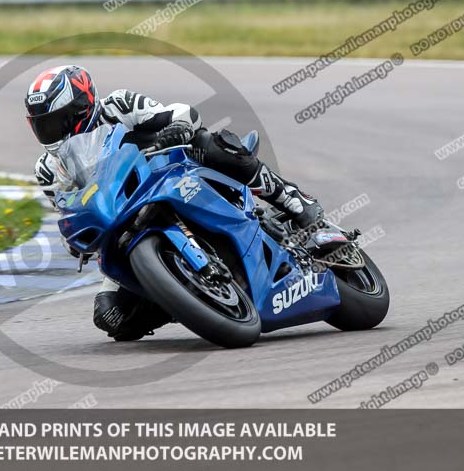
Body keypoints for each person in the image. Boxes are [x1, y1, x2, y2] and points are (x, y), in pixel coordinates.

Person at [26, 65, 323, 341]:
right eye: (43, 126)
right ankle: (183, 296)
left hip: (169, 176)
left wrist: (177, 126)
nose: (52, 132)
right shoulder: (49, 169)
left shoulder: (119, 105)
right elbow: (68, 212)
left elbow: (182, 113)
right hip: (121, 222)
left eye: (56, 122)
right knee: (110, 316)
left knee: (206, 142)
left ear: (82, 107)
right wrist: (75, 239)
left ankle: (291, 198)